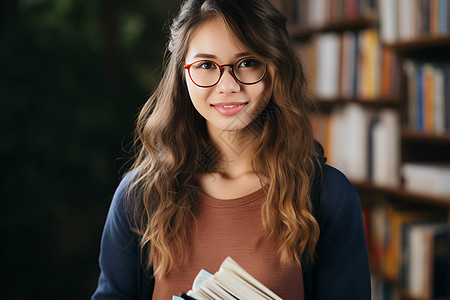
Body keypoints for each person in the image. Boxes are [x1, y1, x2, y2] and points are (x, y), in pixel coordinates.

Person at [92, 0, 371, 299]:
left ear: (275, 69)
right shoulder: (139, 195)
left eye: (248, 62)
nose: (228, 86)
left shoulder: (329, 197)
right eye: (206, 66)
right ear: (183, 75)